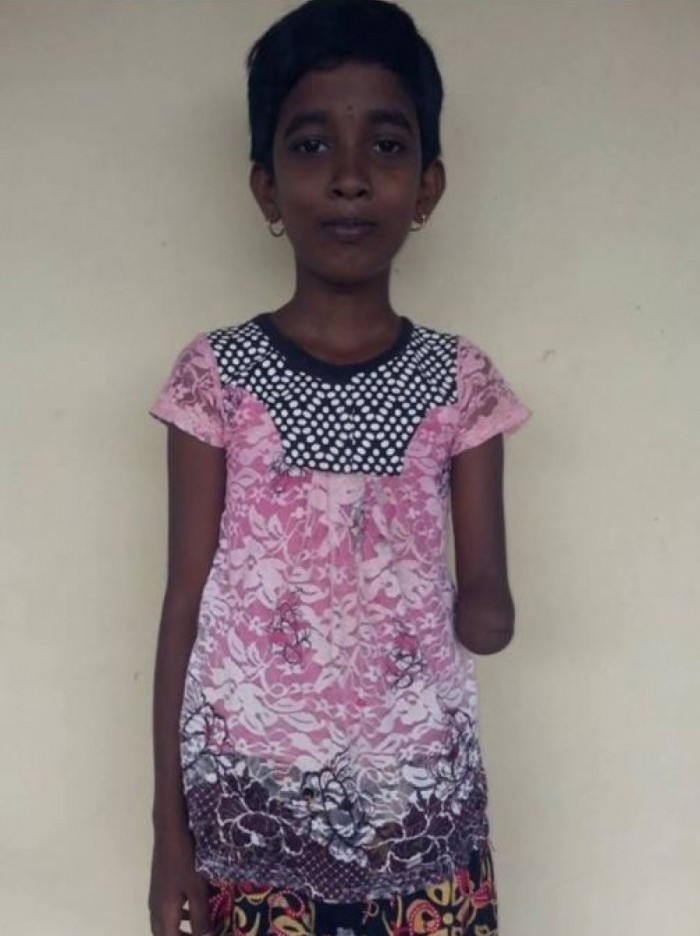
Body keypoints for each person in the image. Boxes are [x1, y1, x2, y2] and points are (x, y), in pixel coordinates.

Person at [148, 1, 529, 934]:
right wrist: (168, 832)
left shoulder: (462, 382)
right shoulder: (215, 378)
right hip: (247, 814)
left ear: (427, 187)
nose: (350, 178)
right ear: (266, 189)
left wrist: (486, 604)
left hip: (421, 815)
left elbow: (488, 591)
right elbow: (185, 604)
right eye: (312, 146)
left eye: (386, 147)